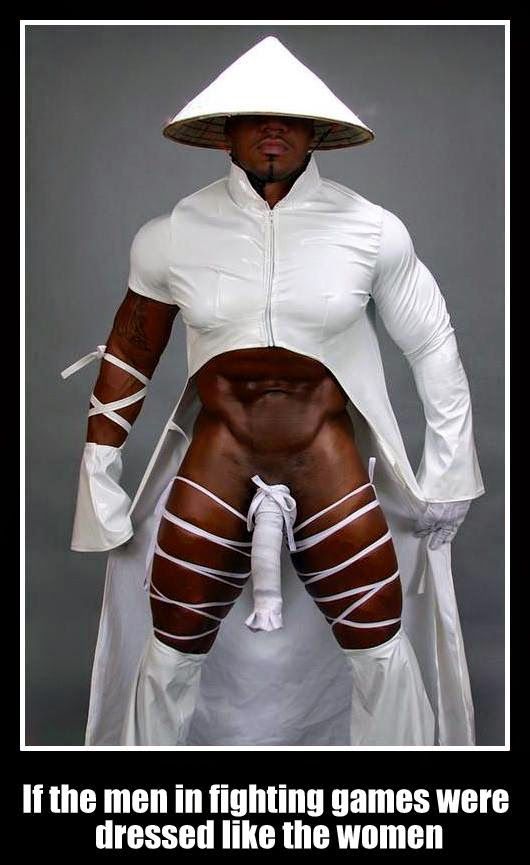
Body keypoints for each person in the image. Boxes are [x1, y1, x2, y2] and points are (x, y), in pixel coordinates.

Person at [62, 36, 485, 746]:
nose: (272, 130)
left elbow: (432, 343)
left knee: (379, 645)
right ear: (224, 132)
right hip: (219, 454)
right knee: (171, 647)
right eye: (255, 117)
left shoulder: (372, 230)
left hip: (326, 455)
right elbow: (132, 353)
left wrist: (448, 472)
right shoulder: (171, 235)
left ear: (316, 133)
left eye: (290, 118)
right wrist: (98, 472)